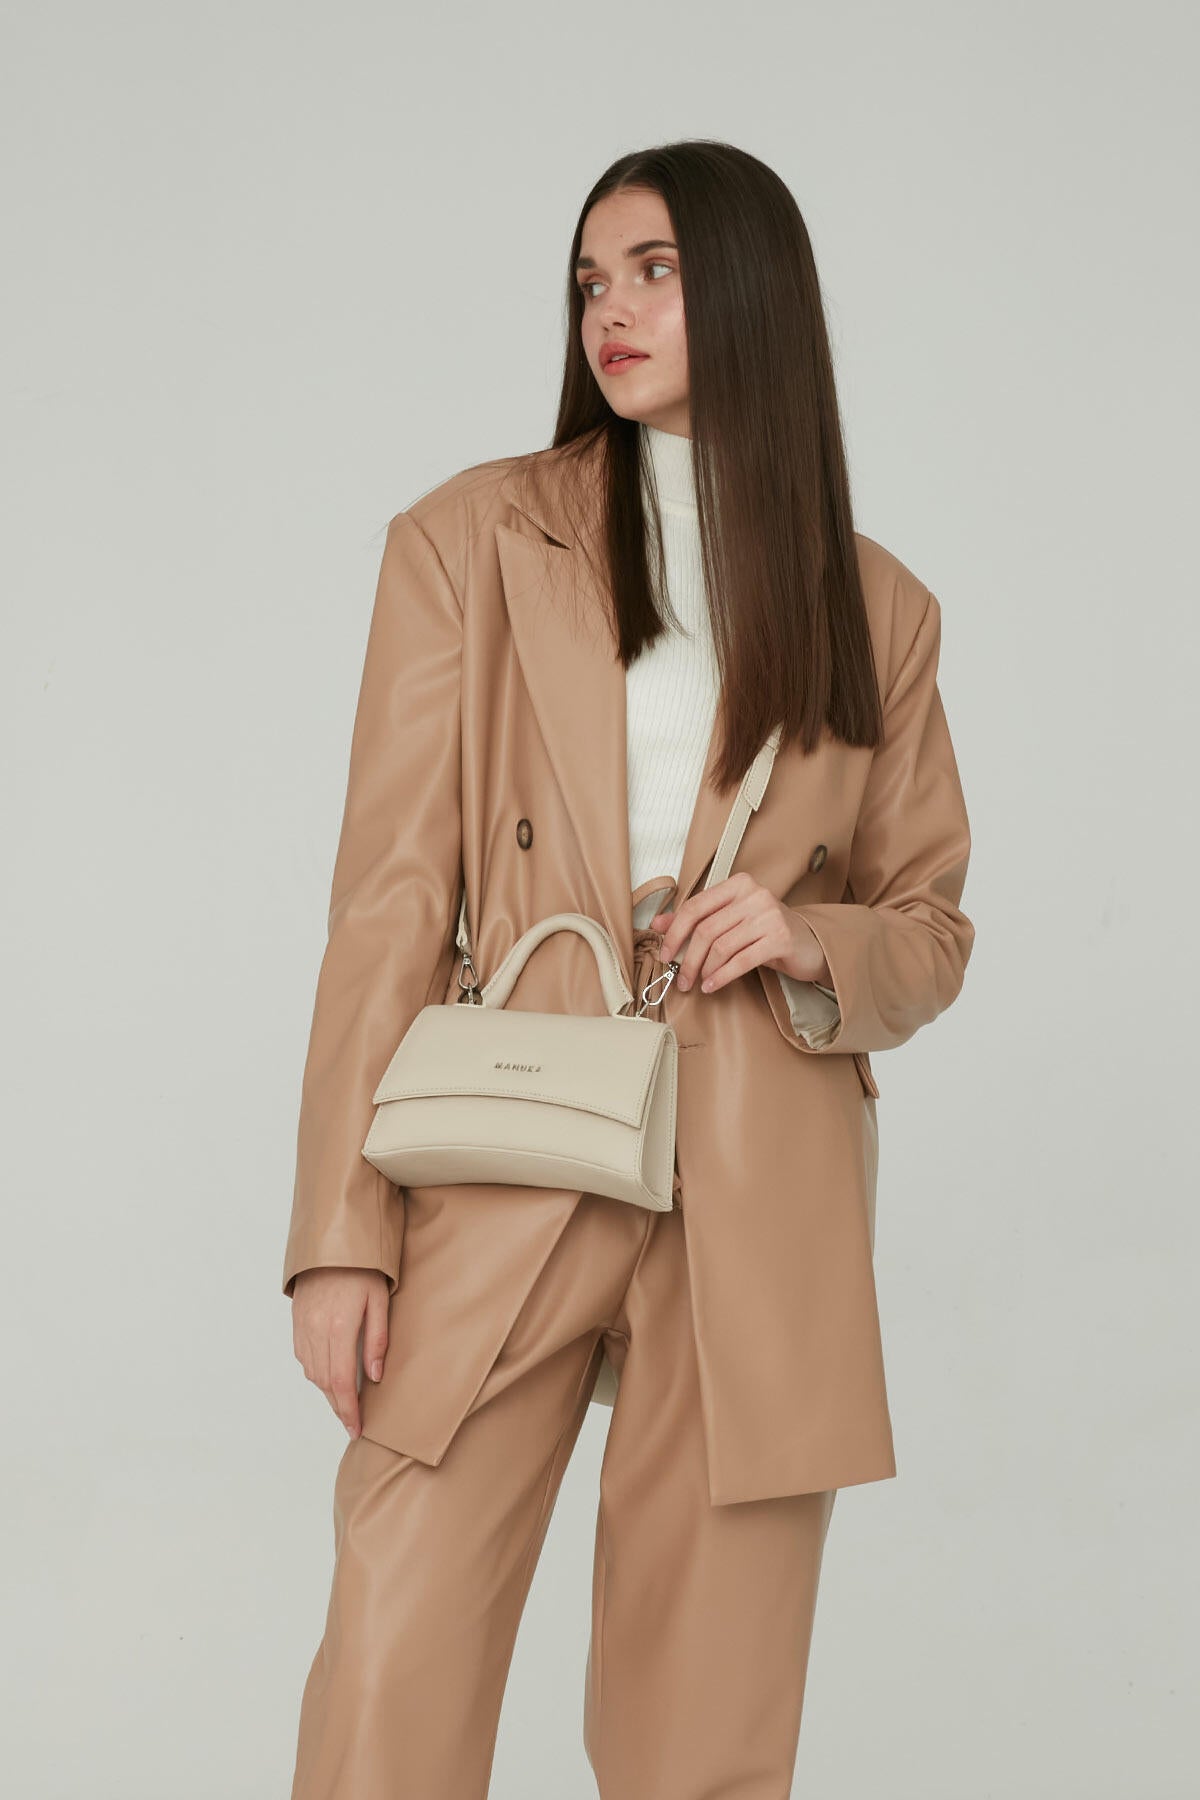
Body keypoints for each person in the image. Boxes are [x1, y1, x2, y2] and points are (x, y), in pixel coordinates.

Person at [282, 138, 975, 1800]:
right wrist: (338, 1236)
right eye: (592, 278)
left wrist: (809, 936)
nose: (612, 308)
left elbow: (932, 927)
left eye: (655, 270)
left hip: (760, 1167)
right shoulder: (469, 539)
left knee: (706, 1720)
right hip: (515, 1125)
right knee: (394, 1646)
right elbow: (388, 902)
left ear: (752, 292)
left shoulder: (873, 605)